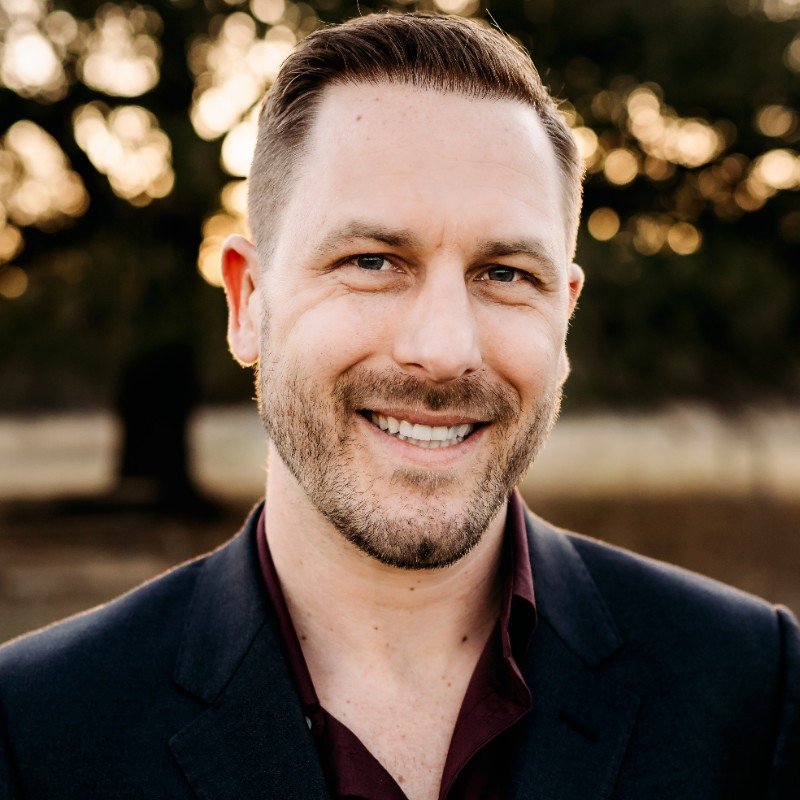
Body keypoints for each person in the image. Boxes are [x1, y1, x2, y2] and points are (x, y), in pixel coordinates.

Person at [0, 12, 798, 800]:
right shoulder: (34, 728)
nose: (444, 349)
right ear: (247, 302)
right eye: (373, 261)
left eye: (506, 274)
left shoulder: (755, 689)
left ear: (564, 318)